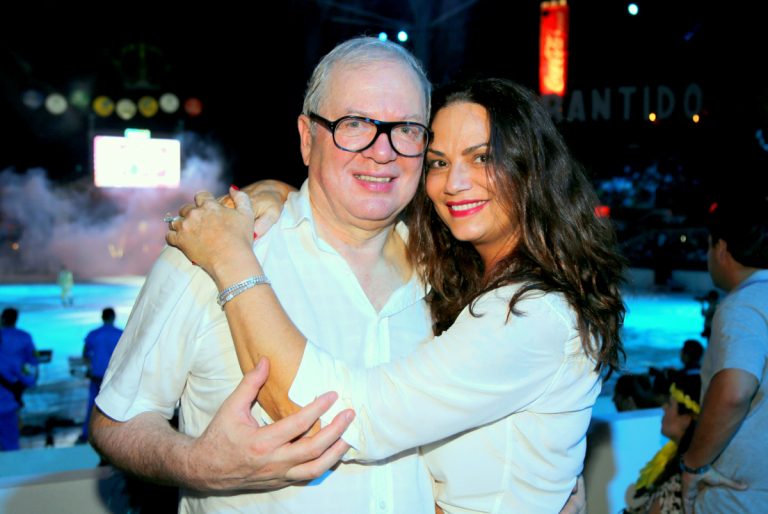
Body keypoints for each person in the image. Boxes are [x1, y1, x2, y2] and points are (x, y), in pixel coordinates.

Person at [168, 77, 626, 512]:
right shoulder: (463, 280)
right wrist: (282, 195)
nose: (454, 183)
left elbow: (350, 417)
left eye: (482, 157)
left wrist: (231, 260)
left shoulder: (529, 315)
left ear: (532, 166)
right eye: (439, 162)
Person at [90, 37, 435, 513]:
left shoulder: (447, 276)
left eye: (407, 129)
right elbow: (115, 423)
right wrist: (198, 464)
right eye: (355, 124)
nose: (383, 151)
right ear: (306, 138)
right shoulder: (214, 250)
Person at [680, 195, 767, 513]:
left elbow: (734, 392)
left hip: (740, 496)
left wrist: (693, 465)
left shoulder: (743, 305)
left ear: (721, 248)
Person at [624, 375, 701, 514]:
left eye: (670, 404)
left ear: (686, 419)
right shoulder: (673, 457)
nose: (663, 407)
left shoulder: (680, 480)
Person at [79, 307, 122, 442]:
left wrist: (90, 367)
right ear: (114, 317)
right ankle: (114, 434)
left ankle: (87, 433)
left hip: (97, 375)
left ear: (102, 317)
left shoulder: (93, 334)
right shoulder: (121, 334)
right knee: (116, 405)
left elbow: (85, 354)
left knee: (93, 404)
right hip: (114, 377)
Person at [0, 307, 38, 451]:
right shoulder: (24, 337)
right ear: (16, 319)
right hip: (8, 401)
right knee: (10, 442)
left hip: (7, 398)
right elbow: (32, 363)